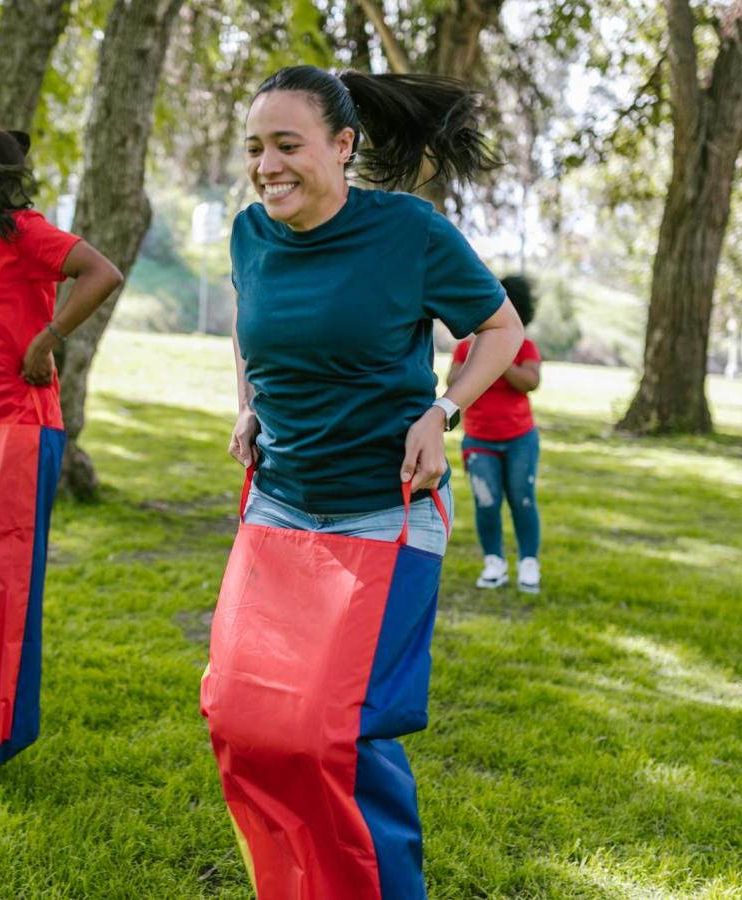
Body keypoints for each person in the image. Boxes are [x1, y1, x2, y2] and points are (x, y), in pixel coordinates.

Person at [203, 65, 525, 898]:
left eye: (287, 145)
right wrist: (249, 404)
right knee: (241, 718)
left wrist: (442, 410)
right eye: (255, 149)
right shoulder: (249, 233)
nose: (267, 165)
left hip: (386, 512)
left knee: (334, 734)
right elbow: (248, 322)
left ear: (343, 147)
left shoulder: (408, 232)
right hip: (278, 501)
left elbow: (498, 327)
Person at [0, 128, 121, 767]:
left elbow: (101, 272)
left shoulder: (24, 231)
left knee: (2, 577)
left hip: (18, 425)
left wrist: (48, 337)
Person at [448, 274, 542, 592]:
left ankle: (528, 563)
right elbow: (454, 381)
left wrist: (500, 358)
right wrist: (482, 354)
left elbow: (530, 381)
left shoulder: (524, 346)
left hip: (519, 440)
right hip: (479, 439)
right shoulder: (465, 349)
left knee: (522, 500)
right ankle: (494, 563)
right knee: (486, 502)